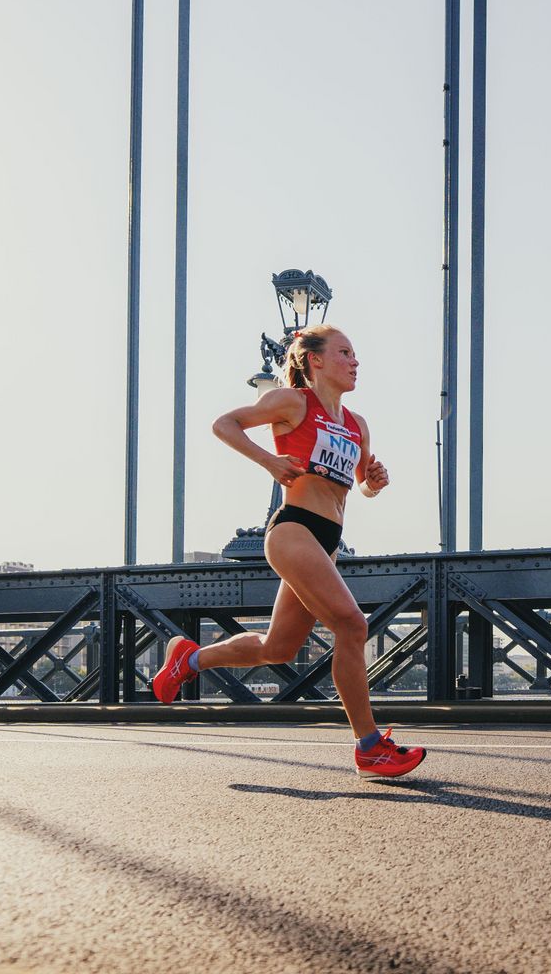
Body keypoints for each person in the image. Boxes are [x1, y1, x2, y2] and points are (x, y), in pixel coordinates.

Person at [151, 324, 425, 780]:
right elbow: (224, 424)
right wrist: (269, 461)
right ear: (315, 359)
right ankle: (370, 747)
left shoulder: (358, 425)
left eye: (355, 354)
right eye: (344, 352)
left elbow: (355, 487)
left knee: (277, 648)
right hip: (293, 530)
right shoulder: (293, 402)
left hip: (327, 541)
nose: (355, 361)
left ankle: (189, 658)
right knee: (352, 625)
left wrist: (372, 484)